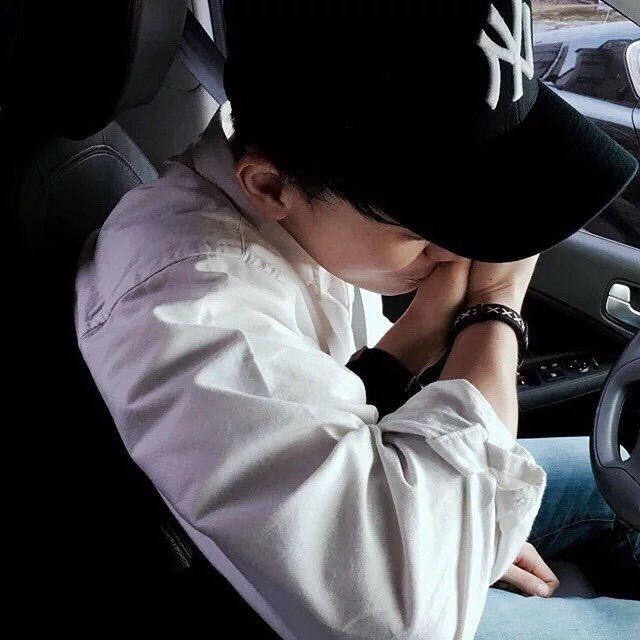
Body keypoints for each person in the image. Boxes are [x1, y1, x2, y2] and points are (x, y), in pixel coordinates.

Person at [73, 1, 639, 638]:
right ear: (270, 186)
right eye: (422, 229)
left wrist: (419, 339)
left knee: (619, 475)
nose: (459, 252)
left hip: (375, 519)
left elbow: (330, 408)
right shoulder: (188, 308)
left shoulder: (303, 218)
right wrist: (494, 310)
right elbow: (397, 619)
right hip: (360, 608)